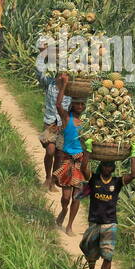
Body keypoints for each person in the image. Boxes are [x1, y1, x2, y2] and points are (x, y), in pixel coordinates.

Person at [80, 150, 135, 269]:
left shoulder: (117, 182)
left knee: (108, 256)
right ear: (101, 166)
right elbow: (83, 168)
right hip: (94, 222)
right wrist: (88, 150)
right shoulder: (94, 179)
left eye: (110, 166)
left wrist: (133, 154)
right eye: (105, 166)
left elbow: (133, 175)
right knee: (89, 251)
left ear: (113, 168)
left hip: (110, 223)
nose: (107, 168)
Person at [53, 98, 89, 233]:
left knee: (77, 197)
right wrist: (63, 86)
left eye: (82, 103)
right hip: (67, 161)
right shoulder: (67, 118)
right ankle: (64, 209)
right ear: (72, 105)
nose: (80, 106)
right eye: (77, 103)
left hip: (81, 163)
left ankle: (69, 225)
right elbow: (57, 105)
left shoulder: (88, 123)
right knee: (66, 197)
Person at [36, 61, 70, 189]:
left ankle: (53, 180)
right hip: (50, 122)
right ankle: (47, 177)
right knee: (50, 151)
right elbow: (39, 73)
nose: (63, 75)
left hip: (63, 125)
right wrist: (43, 55)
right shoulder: (50, 84)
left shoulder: (71, 90)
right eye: (61, 72)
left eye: (66, 73)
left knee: (59, 154)